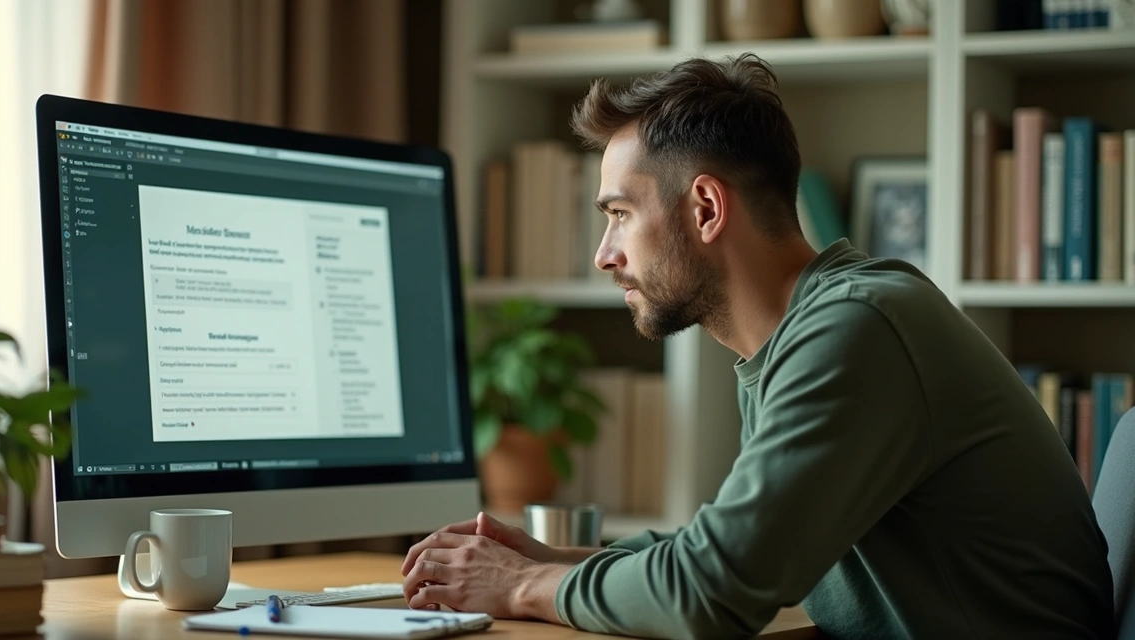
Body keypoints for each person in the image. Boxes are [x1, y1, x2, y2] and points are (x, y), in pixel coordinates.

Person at [400, 53, 1116, 639]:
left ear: (706, 208)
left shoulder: (856, 328)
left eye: (619, 214)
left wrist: (525, 585)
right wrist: (556, 559)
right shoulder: (810, 331)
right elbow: (725, 551)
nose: (604, 254)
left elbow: (711, 592)